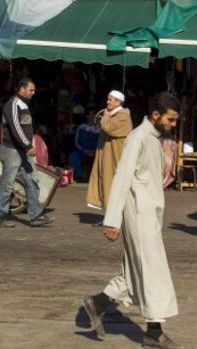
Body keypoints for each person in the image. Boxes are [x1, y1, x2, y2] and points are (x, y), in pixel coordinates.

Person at [83, 92, 182, 349]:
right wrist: (112, 220)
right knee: (152, 271)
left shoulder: (154, 138)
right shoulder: (138, 138)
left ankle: (99, 302)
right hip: (137, 213)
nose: (173, 125)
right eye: (171, 120)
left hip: (149, 213)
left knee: (136, 269)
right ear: (156, 115)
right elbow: (122, 178)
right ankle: (154, 332)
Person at [0, 78, 54, 228]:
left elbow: (26, 126)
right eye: (31, 90)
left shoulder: (25, 105)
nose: (33, 92)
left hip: (23, 151)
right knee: (8, 184)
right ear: (22, 89)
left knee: (32, 180)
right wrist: (27, 145)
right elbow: (15, 128)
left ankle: (36, 216)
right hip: (12, 150)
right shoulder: (12, 104)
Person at [86, 90, 133, 226]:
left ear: (118, 102)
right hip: (105, 156)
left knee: (113, 185)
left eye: (110, 100)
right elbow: (99, 121)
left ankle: (116, 218)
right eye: (107, 99)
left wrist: (105, 114)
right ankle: (109, 216)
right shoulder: (112, 114)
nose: (107, 102)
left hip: (115, 158)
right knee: (105, 184)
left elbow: (108, 127)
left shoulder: (123, 116)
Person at [68, 109, 100, 182]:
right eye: (90, 114)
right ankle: (79, 177)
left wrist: (95, 151)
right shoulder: (81, 127)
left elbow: (102, 143)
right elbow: (77, 142)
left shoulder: (100, 128)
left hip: (96, 151)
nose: (92, 116)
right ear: (87, 116)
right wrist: (84, 150)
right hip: (83, 151)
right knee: (73, 155)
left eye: (94, 115)